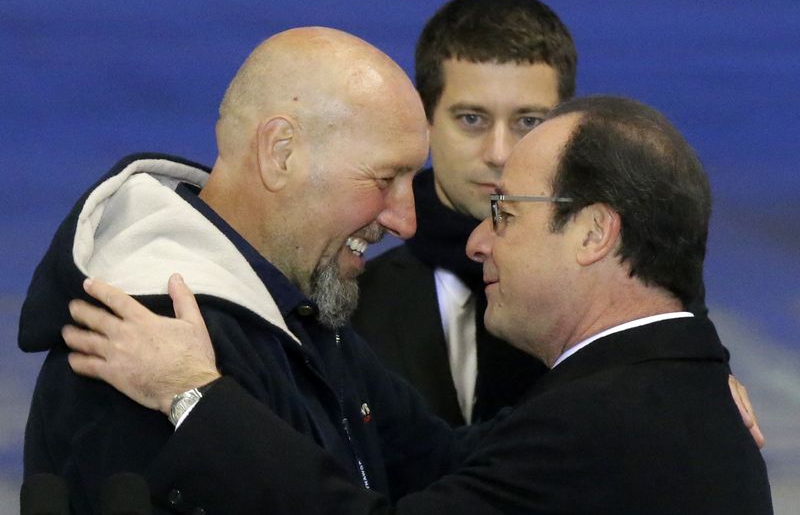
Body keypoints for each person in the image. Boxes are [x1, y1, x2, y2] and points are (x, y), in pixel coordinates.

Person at [62, 95, 773, 514]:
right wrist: (323, 334)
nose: (477, 244)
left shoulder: (612, 420)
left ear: (593, 232)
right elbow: (449, 455)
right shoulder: (660, 387)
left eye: (503, 214)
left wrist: (194, 393)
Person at [19, 27, 484, 513]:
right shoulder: (141, 339)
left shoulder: (294, 306)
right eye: (385, 179)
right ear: (280, 152)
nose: (406, 221)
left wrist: (570, 397)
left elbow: (448, 462)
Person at [352, 0, 709, 426]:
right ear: (424, 119)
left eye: (528, 122)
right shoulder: (350, 308)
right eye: (471, 119)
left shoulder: (636, 304)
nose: (499, 152)